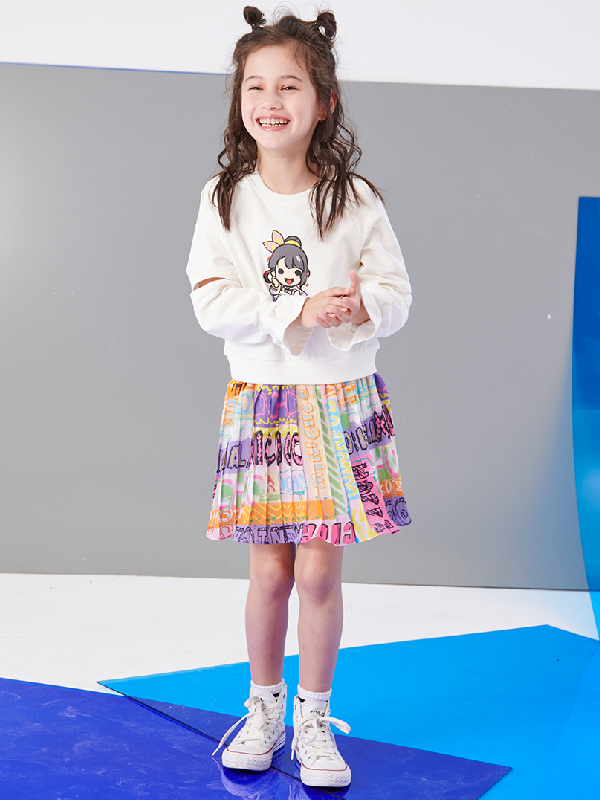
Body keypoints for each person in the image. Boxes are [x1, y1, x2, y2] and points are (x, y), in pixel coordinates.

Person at [185, 6, 412, 789]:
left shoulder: (357, 199)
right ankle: (264, 709)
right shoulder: (224, 198)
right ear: (239, 99)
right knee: (269, 575)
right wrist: (295, 310)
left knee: (318, 575)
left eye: (289, 85)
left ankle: (315, 717)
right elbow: (211, 300)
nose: (270, 100)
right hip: (265, 402)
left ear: (325, 101)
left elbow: (396, 292)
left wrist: (359, 305)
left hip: (338, 403)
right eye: (256, 85)